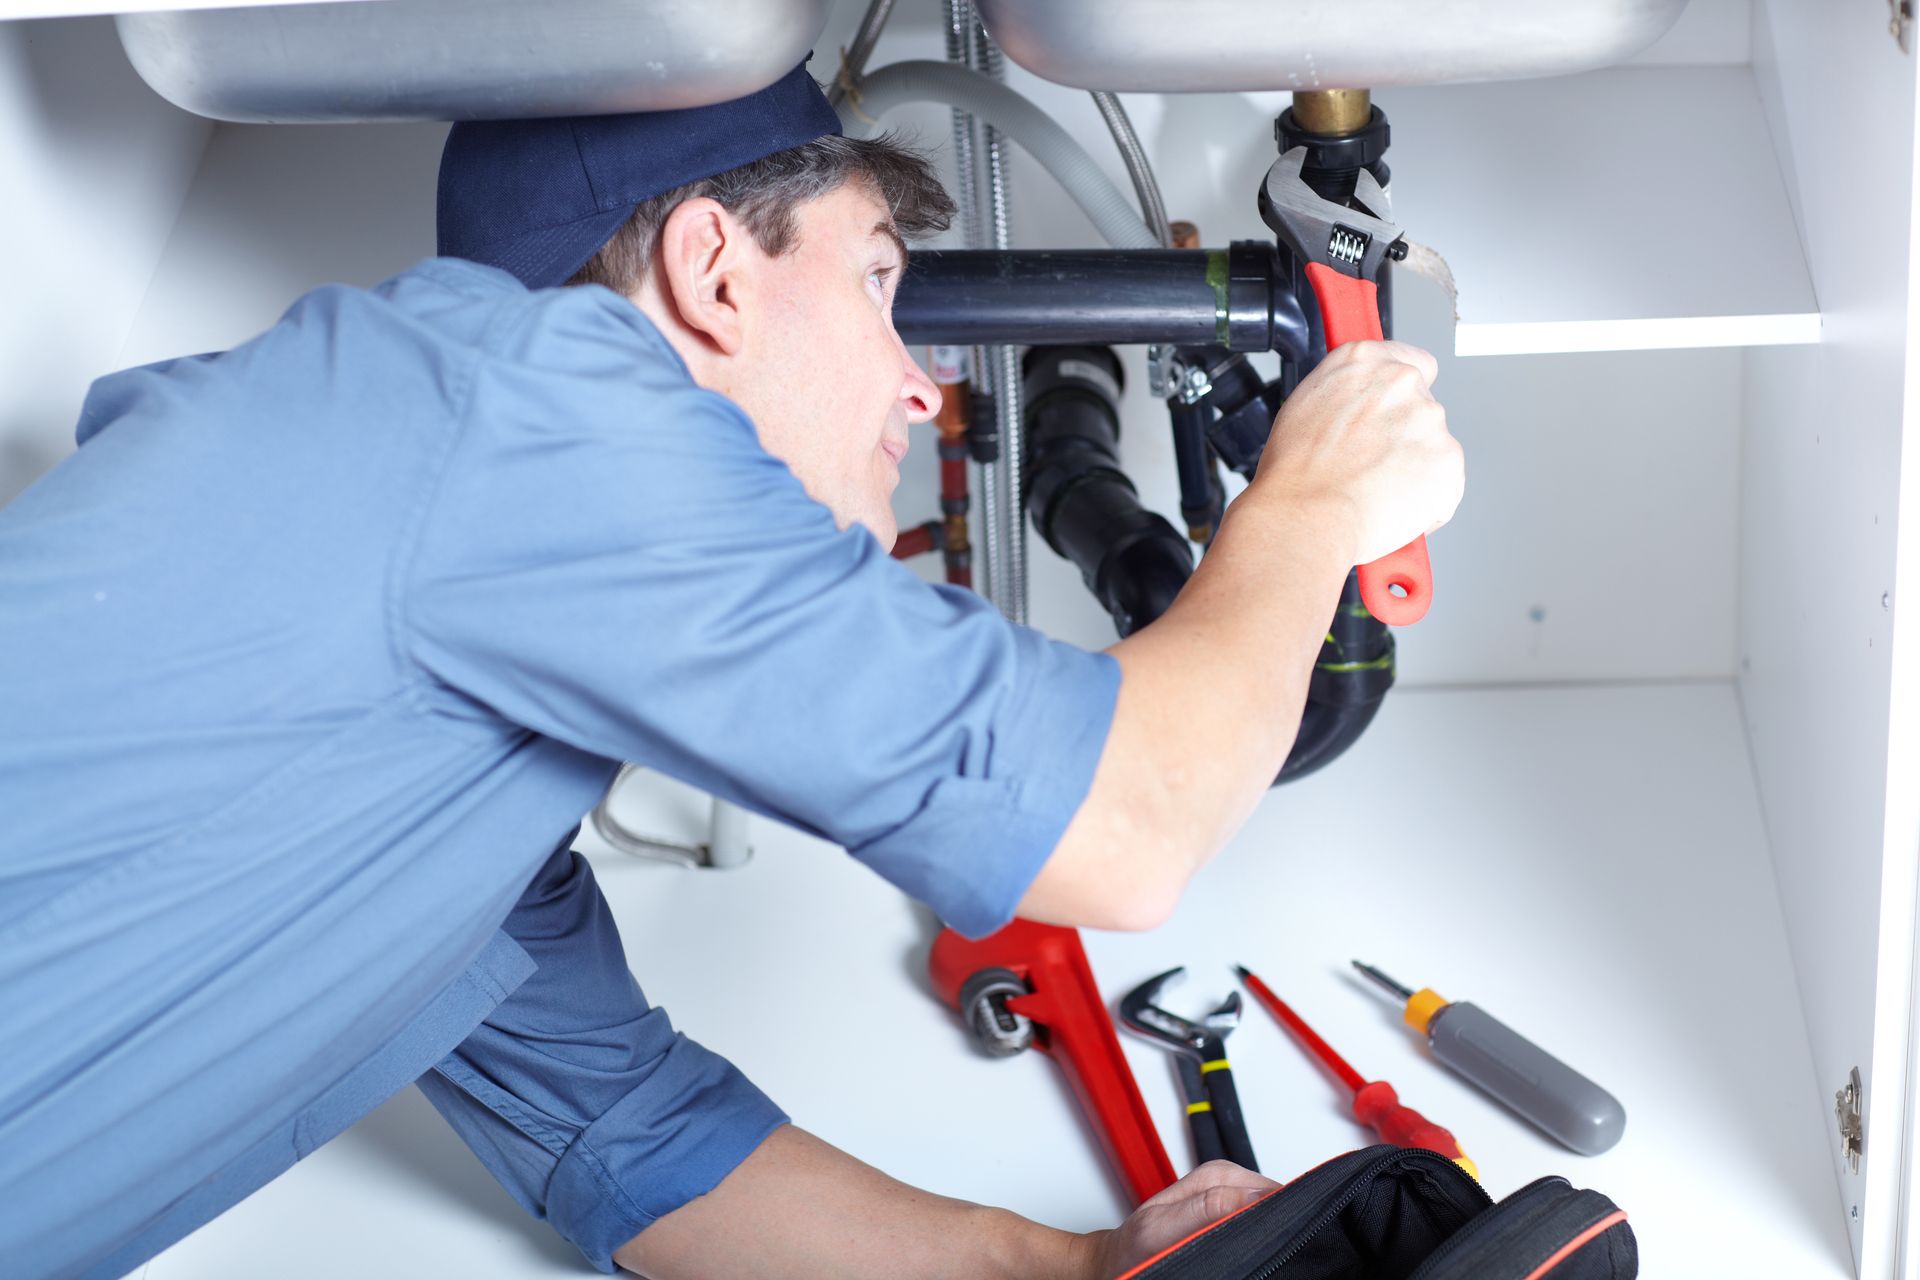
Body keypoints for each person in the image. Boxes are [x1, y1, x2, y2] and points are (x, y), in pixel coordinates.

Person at [0, 64, 1462, 1280]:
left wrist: (1079, 1266)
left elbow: (633, 1143)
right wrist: (1317, 490)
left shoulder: (433, 712)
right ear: (710, 270)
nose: (920, 380)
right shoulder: (507, 399)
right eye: (879, 284)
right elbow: (1127, 826)